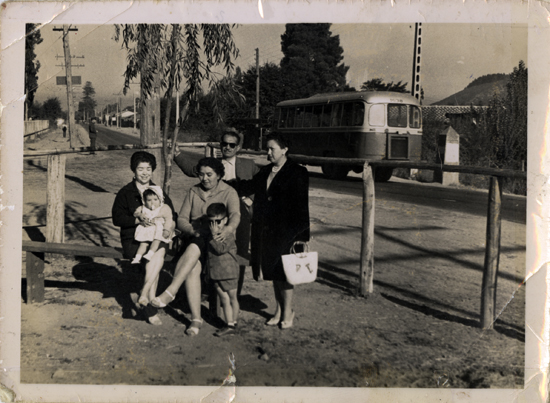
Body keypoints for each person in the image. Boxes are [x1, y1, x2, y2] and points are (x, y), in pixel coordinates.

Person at [151, 157, 240, 337]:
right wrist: (193, 230)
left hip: (219, 245)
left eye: (209, 174)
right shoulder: (194, 191)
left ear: (219, 175)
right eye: (201, 174)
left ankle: (171, 291)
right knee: (192, 266)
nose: (205, 178)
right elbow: (182, 219)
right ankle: (195, 319)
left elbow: (235, 214)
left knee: (194, 250)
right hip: (196, 238)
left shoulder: (229, 192)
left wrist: (229, 229)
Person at [239, 133, 310, 329]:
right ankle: (279, 310)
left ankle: (288, 312)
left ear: (285, 149)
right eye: (267, 149)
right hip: (265, 231)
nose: (268, 152)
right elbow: (248, 186)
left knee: (284, 274)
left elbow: (302, 207)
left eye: (272, 149)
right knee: (273, 273)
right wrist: (225, 183)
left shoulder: (298, 172)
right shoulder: (266, 171)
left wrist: (302, 236)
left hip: (287, 232)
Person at [174, 129, 260, 289]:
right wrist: (177, 154)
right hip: (214, 212)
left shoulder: (248, 164)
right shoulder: (211, 165)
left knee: (238, 253)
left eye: (232, 145)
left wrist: (250, 200)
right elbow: (191, 169)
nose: (227, 147)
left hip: (238, 210)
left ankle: (235, 290)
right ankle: (209, 288)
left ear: (238, 147)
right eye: (224, 144)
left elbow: (261, 183)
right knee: (212, 251)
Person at [112, 151, 177, 325]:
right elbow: (117, 218)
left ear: (153, 170)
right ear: (133, 170)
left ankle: (144, 296)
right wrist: (136, 219)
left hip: (157, 237)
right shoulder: (126, 192)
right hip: (135, 238)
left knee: (155, 256)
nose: (145, 173)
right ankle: (149, 308)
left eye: (148, 169)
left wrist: (167, 228)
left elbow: (172, 214)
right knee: (153, 260)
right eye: (140, 169)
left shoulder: (157, 191)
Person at [204, 203, 240, 337]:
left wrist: (214, 236)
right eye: (211, 222)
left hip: (229, 272)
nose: (214, 226)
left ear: (225, 220)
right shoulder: (211, 234)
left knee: (232, 298)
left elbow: (220, 249)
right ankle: (229, 323)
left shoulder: (227, 234)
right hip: (216, 273)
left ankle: (233, 323)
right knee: (224, 299)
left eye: (217, 222)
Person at [132, 186, 175, 266]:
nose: (152, 202)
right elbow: (135, 213)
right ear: (144, 201)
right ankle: (137, 257)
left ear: (160, 199)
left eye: (155, 200)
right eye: (149, 200)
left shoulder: (164, 208)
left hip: (158, 230)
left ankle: (150, 253)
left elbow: (169, 219)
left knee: (157, 240)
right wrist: (140, 215)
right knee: (143, 243)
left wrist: (166, 229)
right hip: (147, 229)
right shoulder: (143, 208)